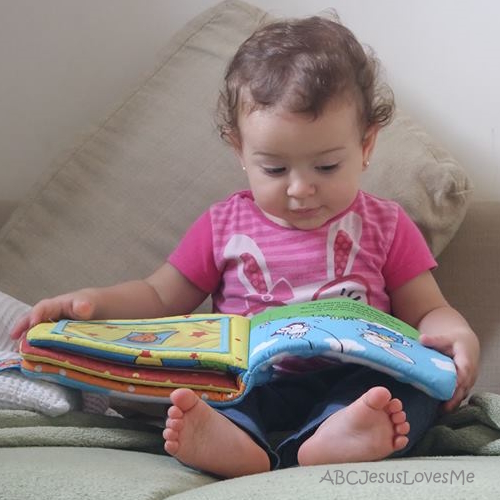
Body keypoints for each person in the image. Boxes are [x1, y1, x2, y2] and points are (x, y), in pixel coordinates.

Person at [11, 14, 479, 478]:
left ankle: (339, 436)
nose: (300, 189)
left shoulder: (385, 225)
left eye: (327, 167)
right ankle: (233, 442)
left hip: (353, 382)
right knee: (209, 394)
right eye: (275, 169)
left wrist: (456, 335)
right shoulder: (223, 226)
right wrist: (93, 304)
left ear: (366, 145)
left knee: (409, 392)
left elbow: (427, 311)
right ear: (239, 150)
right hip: (251, 381)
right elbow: (158, 298)